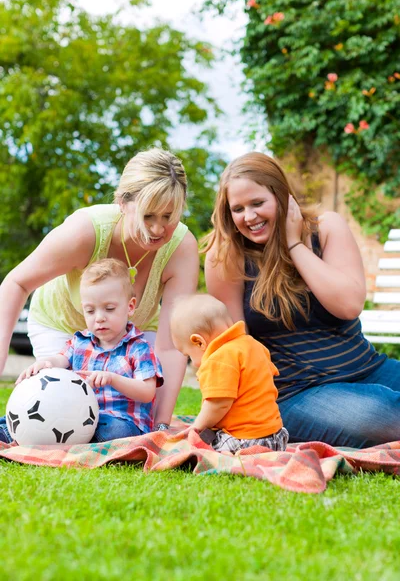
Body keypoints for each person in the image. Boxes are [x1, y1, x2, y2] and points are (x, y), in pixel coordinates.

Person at [203, 151, 400, 449]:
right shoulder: (226, 257)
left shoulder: (326, 228)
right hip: (296, 393)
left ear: (282, 196)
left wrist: (294, 243)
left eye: (258, 203)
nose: (249, 217)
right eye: (238, 209)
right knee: (386, 416)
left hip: (367, 367)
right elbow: (233, 345)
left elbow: (348, 305)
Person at [0, 147, 199, 430]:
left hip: (135, 333)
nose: (157, 229)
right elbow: (16, 283)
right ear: (122, 202)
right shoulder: (86, 231)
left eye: (168, 216)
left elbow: (170, 345)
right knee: (65, 410)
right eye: (148, 216)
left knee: (127, 416)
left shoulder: (181, 248)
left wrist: (161, 424)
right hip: (64, 327)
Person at [0, 259, 163, 443]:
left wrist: (113, 379)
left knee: (115, 432)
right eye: (90, 311)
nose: (99, 318)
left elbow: (147, 392)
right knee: (39, 413)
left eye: (109, 309)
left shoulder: (139, 348)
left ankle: (74, 438)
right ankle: (7, 430)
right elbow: (60, 360)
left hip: (121, 420)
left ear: (130, 307)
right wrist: (46, 363)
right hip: (77, 416)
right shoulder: (80, 342)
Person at [170, 293, 288, 453]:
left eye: (188, 355)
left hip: (245, 440)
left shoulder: (218, 358)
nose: (193, 362)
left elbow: (218, 404)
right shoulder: (253, 345)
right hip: (275, 437)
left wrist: (196, 427)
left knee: (203, 440)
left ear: (199, 342)